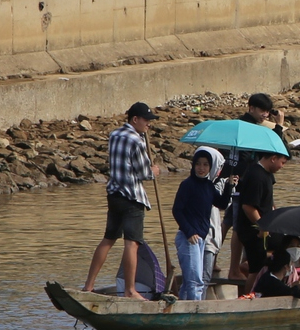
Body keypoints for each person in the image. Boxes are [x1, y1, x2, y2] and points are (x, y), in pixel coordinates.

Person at [82, 102, 160, 299]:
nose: (148, 125)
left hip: (114, 195)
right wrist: (154, 171)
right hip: (131, 197)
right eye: (146, 121)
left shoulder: (115, 135)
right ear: (135, 120)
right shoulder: (137, 140)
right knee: (131, 243)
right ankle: (130, 290)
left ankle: (88, 285)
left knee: (108, 239)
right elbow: (144, 173)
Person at [171, 147, 223, 301]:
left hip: (200, 238)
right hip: (188, 238)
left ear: (210, 167)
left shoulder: (208, 186)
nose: (201, 168)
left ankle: (184, 307)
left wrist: (230, 186)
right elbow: (177, 210)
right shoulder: (187, 185)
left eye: (206, 165)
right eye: (198, 164)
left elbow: (222, 203)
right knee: (195, 281)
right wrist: (189, 232)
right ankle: (195, 309)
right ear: (193, 166)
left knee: (189, 282)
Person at [234, 149, 288, 292]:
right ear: (273, 158)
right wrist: (262, 226)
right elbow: (248, 206)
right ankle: (248, 300)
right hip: (252, 230)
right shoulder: (257, 176)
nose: (282, 166)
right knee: (256, 269)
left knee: (287, 243)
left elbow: (268, 201)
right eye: (282, 162)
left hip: (263, 226)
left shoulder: (266, 175)